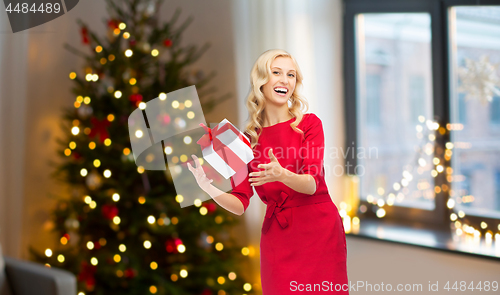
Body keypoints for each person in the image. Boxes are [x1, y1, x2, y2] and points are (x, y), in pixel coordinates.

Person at [187, 49, 349, 294]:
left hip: (319, 231)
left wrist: (281, 174)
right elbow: (240, 202)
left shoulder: (309, 124)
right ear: (261, 80)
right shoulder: (244, 142)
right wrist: (207, 187)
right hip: (278, 236)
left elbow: (312, 183)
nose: (285, 80)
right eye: (277, 73)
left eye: (291, 75)